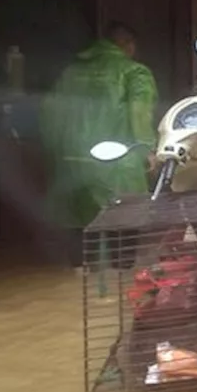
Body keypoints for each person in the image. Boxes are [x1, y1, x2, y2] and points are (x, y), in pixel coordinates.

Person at [41, 21, 159, 268]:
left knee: (80, 236)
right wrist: (148, 149)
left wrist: (57, 153)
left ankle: (77, 283)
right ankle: (119, 281)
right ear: (128, 44)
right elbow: (139, 114)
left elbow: (49, 115)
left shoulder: (69, 73)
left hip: (72, 167)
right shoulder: (134, 72)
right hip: (117, 166)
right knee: (123, 228)